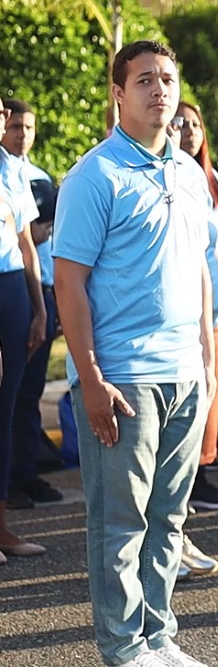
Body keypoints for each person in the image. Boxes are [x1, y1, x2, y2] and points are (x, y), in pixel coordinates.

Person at [55, 40, 213, 667]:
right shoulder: (95, 175)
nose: (159, 90)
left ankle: (156, 635)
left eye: (168, 79)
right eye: (144, 79)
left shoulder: (188, 172)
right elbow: (69, 282)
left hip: (185, 374)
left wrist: (205, 357)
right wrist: (90, 377)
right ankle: (123, 648)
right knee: (122, 525)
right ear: (119, 93)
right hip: (123, 377)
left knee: (169, 521)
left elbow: (201, 270)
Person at [170, 102, 218, 515]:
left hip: (216, 295)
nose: (189, 130)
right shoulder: (173, 175)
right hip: (186, 306)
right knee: (190, 397)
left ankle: (201, 471)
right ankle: (187, 481)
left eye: (195, 123)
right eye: (181, 123)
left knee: (211, 391)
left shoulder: (211, 179)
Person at [2, 100, 62, 508]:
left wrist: (42, 309)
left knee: (27, 390)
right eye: (15, 125)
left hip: (32, 291)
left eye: (28, 126)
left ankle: (23, 474)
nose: (21, 133)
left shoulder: (33, 177)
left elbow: (30, 241)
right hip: (13, 287)